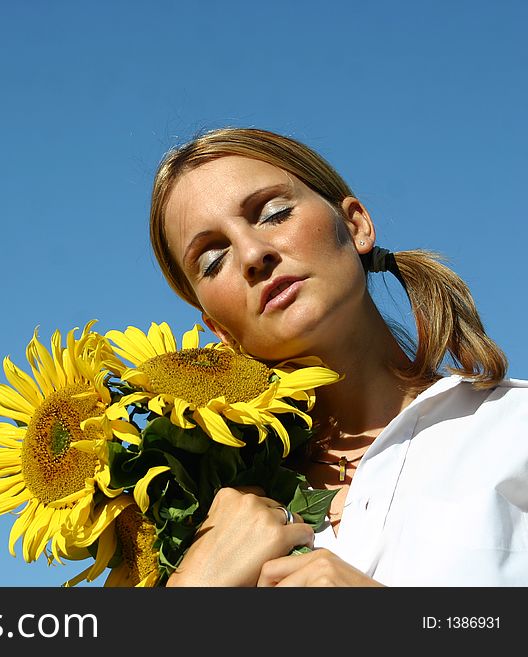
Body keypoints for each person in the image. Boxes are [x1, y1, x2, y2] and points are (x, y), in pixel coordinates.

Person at [148, 127, 528, 586]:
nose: (252, 253)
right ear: (220, 331)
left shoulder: (513, 427)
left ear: (356, 225)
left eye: (273, 213)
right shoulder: (204, 521)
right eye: (212, 260)